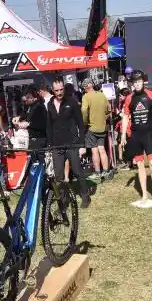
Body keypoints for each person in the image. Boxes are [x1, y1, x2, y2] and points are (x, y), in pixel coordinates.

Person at [120, 70, 152, 208]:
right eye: (135, 82)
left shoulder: (151, 95)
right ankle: (145, 194)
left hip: (148, 136)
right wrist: (122, 135)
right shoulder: (129, 98)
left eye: (139, 81)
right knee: (140, 165)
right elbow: (126, 117)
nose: (137, 84)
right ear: (132, 83)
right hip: (135, 136)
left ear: (143, 82)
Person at [46, 77, 91, 209]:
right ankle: (63, 201)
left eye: (61, 89)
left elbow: (80, 124)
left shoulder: (71, 102)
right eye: (56, 90)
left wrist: (81, 144)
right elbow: (49, 126)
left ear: (64, 88)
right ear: (53, 90)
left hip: (72, 144)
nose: (59, 93)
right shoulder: (49, 104)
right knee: (59, 176)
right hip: (57, 146)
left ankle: (85, 196)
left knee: (77, 171)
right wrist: (50, 144)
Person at [81, 78, 111, 180]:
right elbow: (108, 109)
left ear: (85, 87)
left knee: (94, 151)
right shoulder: (102, 95)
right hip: (102, 127)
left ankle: (98, 173)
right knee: (102, 149)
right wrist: (104, 117)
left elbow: (84, 110)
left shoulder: (86, 96)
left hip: (91, 127)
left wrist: (85, 122)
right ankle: (106, 172)